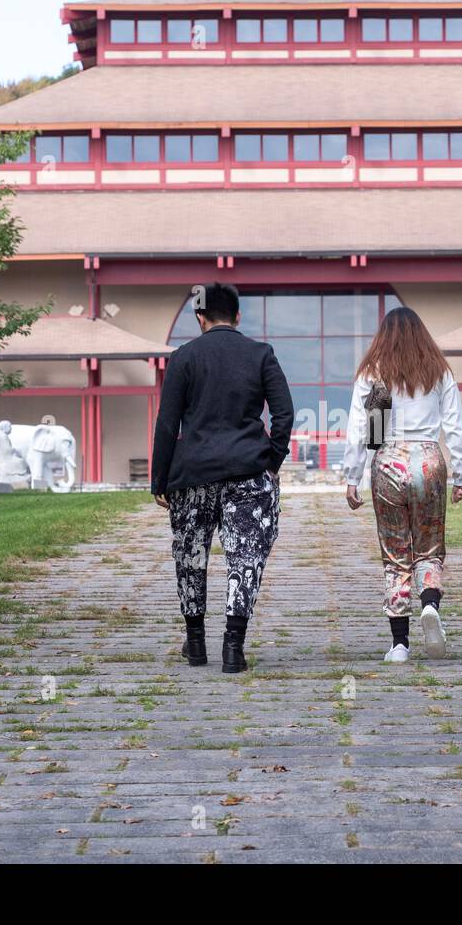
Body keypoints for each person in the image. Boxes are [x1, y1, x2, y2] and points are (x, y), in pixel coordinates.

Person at [152, 283, 294, 674]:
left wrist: (159, 479)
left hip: (192, 475)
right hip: (248, 472)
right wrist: (273, 461)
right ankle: (233, 647)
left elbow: (167, 424)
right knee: (244, 557)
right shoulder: (261, 354)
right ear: (238, 316)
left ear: (201, 319)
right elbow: (284, 414)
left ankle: (195, 643)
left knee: (191, 557)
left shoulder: (183, 358)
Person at [343, 306, 462, 663]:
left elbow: (361, 429)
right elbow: (455, 427)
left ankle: (400, 644)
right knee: (429, 547)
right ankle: (430, 605)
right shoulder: (438, 370)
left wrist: (352, 475)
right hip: (429, 460)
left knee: (396, 553)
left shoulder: (373, 373)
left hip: (389, 463)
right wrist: (461, 474)